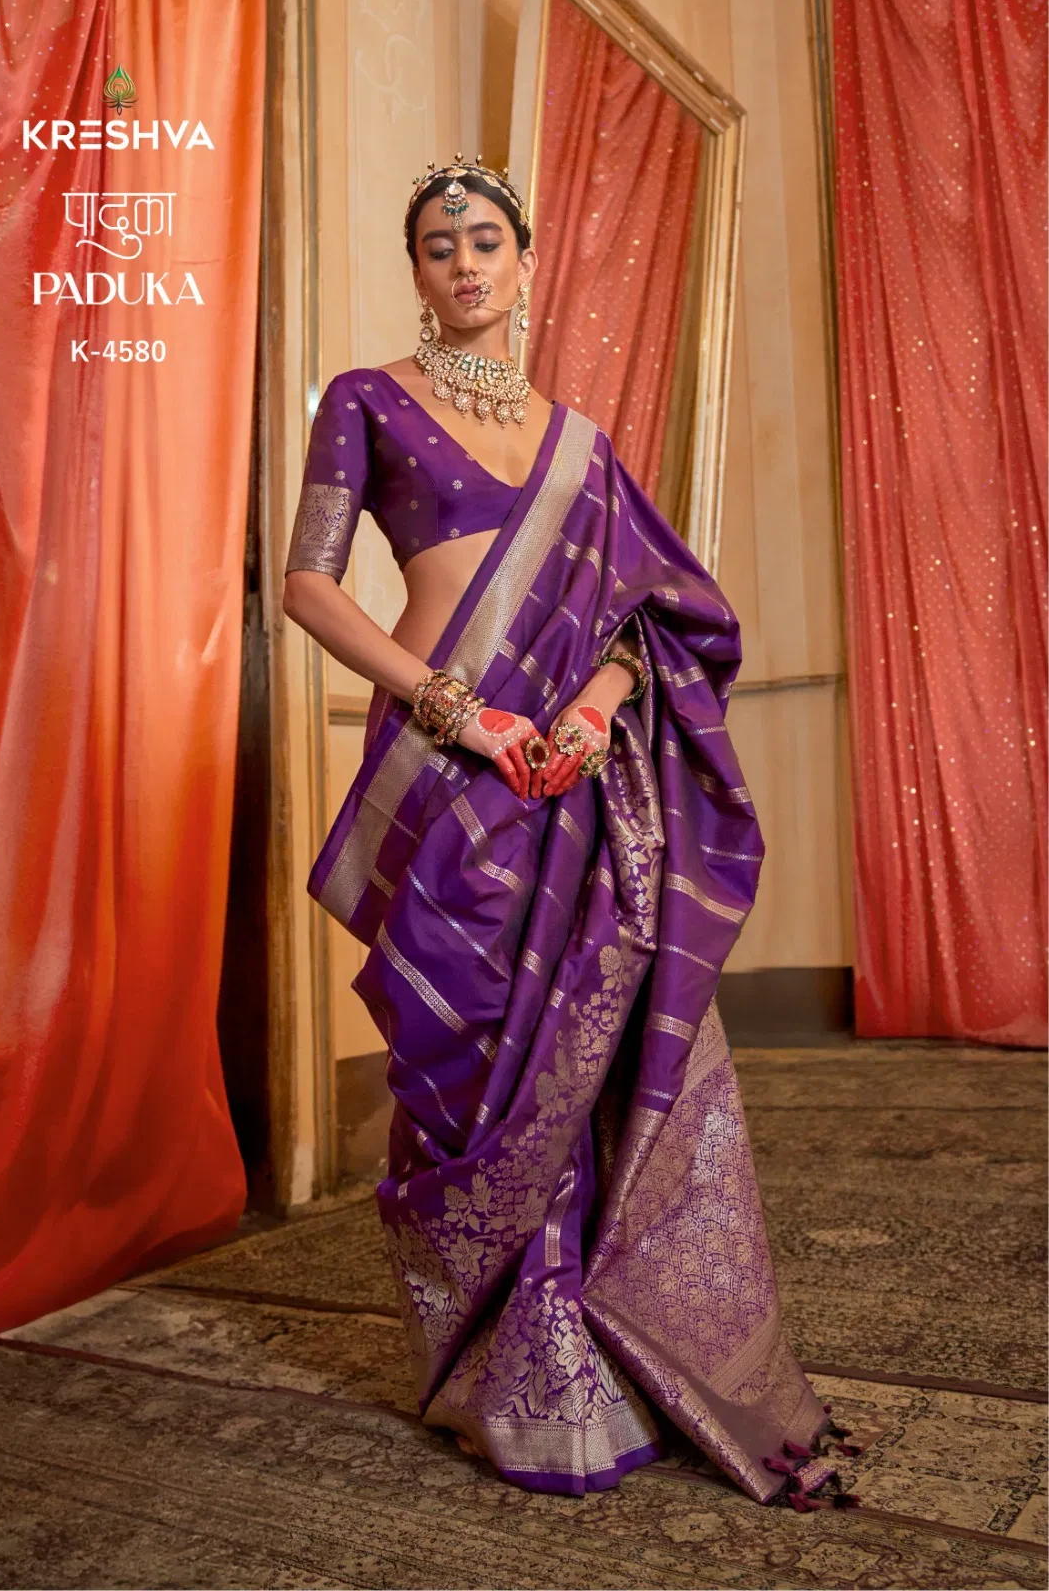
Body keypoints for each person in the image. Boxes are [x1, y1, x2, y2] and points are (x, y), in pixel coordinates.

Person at [282, 155, 857, 1506]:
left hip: (568, 773)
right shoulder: (367, 400)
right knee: (477, 1048)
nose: (464, 263)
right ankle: (501, 1366)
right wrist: (456, 710)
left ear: (525, 262)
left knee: (583, 1050)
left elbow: (651, 620)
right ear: (416, 272)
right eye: (439, 246)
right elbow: (307, 585)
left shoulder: (580, 447)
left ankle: (594, 1351)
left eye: (486, 240)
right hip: (447, 763)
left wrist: (594, 711)